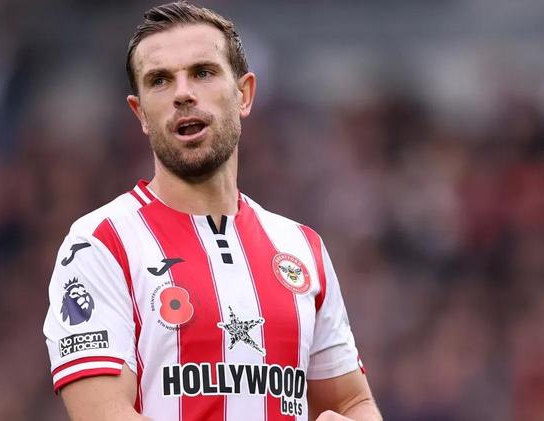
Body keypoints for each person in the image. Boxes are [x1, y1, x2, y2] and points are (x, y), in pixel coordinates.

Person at [43, 2, 382, 420]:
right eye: (160, 80)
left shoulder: (301, 247)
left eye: (203, 73)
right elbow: (103, 413)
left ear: (244, 95)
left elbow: (352, 402)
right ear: (141, 113)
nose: (183, 93)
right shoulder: (100, 244)